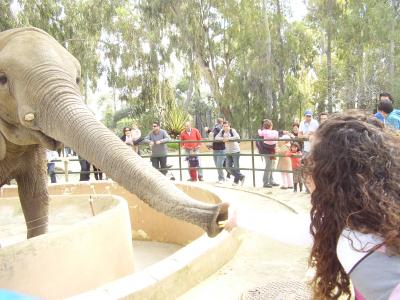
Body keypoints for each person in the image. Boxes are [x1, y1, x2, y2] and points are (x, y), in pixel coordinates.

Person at [302, 113, 400, 299]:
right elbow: (310, 228)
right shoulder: (375, 218)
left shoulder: (357, 243)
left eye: (313, 159)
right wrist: (239, 218)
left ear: (334, 175)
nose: (306, 166)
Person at [215, 121, 245, 186]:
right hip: (228, 152)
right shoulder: (222, 131)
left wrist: (228, 139)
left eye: (227, 126)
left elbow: (237, 137)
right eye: (224, 126)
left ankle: (236, 181)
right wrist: (223, 139)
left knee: (236, 167)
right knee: (228, 167)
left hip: (235, 151)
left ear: (229, 126)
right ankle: (241, 177)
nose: (225, 128)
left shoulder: (232, 130)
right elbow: (216, 137)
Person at [257, 119, 280, 188]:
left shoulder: (263, 132)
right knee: (268, 165)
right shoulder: (263, 133)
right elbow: (259, 143)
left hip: (271, 150)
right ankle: (265, 181)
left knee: (272, 165)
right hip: (266, 151)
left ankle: (271, 180)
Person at [209, 118, 227, 184]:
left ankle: (222, 178)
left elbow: (216, 136)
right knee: (217, 165)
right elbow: (213, 137)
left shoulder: (222, 129)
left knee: (219, 165)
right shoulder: (215, 128)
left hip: (221, 149)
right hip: (215, 149)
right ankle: (221, 177)